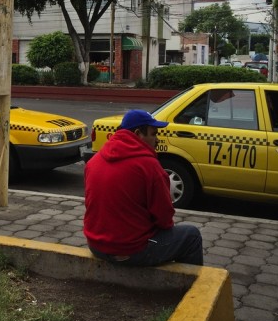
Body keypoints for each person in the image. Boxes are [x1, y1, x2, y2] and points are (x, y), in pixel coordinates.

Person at [84, 109, 203, 266]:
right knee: (191, 236)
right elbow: (165, 220)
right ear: (138, 134)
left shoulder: (95, 161)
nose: (157, 139)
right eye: (153, 134)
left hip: (96, 245)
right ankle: (191, 287)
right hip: (131, 250)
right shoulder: (150, 166)